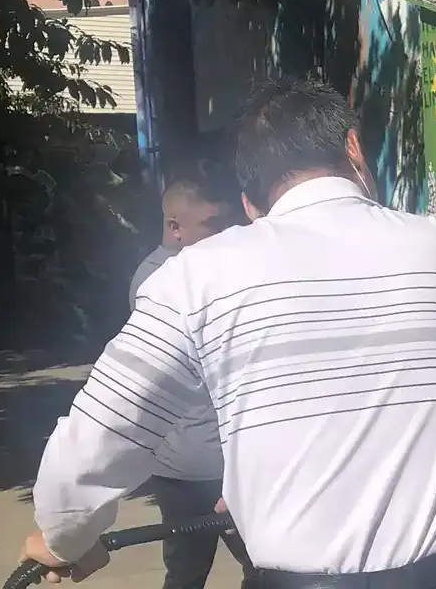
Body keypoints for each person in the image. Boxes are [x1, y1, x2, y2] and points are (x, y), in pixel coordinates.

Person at [21, 76, 436, 589]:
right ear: (354, 147)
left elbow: (99, 437)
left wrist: (63, 535)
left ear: (250, 203)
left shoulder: (197, 276)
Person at [129, 164, 258, 589]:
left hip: (221, 459)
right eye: (212, 224)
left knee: (263, 568)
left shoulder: (204, 268)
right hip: (189, 468)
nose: (224, 233)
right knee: (189, 573)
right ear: (175, 227)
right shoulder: (159, 281)